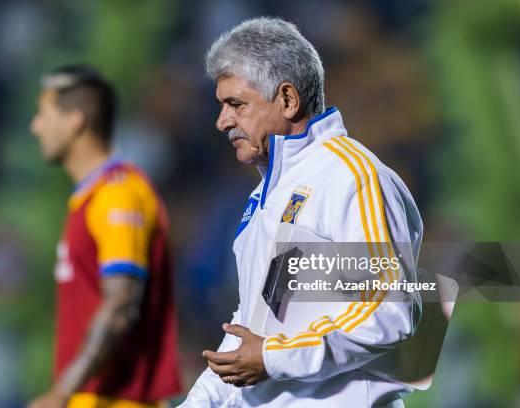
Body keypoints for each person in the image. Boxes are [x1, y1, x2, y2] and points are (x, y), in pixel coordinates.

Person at [181, 17, 423, 407]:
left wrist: (272, 357)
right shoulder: (267, 194)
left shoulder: (352, 177)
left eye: (236, 105)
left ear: (288, 100)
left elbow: (391, 310)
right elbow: (253, 325)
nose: (222, 121)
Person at [28, 65, 181, 408]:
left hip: (119, 400)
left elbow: (120, 305)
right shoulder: (90, 197)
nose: (35, 127)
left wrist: (60, 392)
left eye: (43, 115)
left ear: (74, 121)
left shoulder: (118, 194)